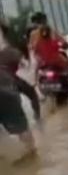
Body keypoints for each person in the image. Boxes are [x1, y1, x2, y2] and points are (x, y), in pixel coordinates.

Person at [0, 25, 39, 160]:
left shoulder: (11, 52)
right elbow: (28, 71)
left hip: (8, 93)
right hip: (8, 93)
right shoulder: (12, 52)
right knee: (22, 131)